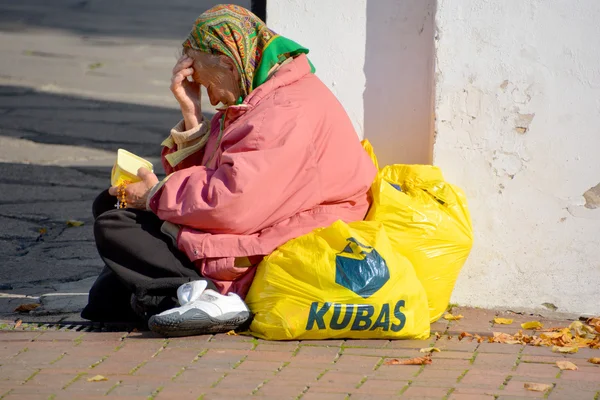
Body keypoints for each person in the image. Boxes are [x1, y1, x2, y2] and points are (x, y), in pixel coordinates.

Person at [81, 4, 377, 337]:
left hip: (283, 238)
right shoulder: (257, 95)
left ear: (227, 61)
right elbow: (218, 181)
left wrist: (154, 194)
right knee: (107, 266)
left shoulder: (281, 111)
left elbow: (234, 205)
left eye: (203, 77)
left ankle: (213, 296)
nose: (206, 91)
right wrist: (192, 115)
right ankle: (178, 296)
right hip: (259, 222)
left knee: (115, 225)